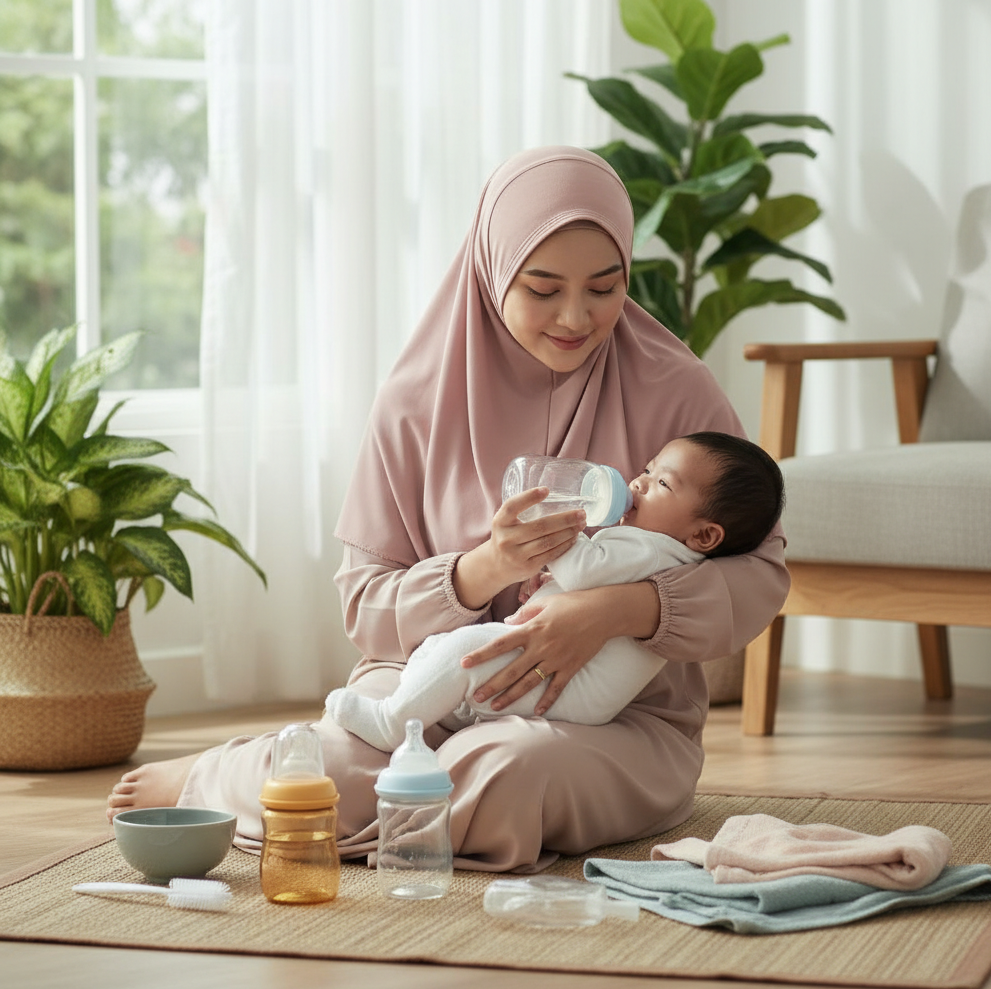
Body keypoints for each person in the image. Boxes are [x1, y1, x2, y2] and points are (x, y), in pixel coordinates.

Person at [107, 146, 789, 873]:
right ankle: (218, 777)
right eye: (542, 287)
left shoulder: (677, 393)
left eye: (604, 286)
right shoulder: (415, 402)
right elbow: (365, 607)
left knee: (509, 770)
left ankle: (345, 806)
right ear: (494, 271)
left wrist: (615, 611)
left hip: (615, 724)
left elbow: (760, 577)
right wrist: (481, 569)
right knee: (335, 773)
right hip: (416, 687)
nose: (575, 316)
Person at [327, 432, 785, 750]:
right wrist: (547, 580)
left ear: (704, 536)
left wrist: (554, 524)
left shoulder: (658, 552)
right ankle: (429, 709)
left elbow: (586, 572)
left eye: (662, 483)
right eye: (647, 469)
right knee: (444, 648)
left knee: (467, 648)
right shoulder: (652, 548)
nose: (639, 482)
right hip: (563, 686)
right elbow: (585, 578)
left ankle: (391, 723)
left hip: (569, 692)